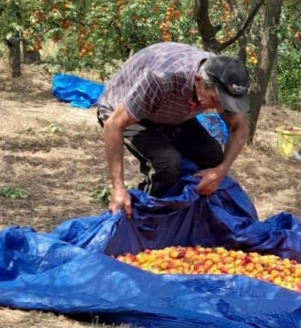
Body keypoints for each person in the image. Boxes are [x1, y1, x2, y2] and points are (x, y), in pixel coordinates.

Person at [97, 41, 250, 217]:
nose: (221, 111)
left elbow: (239, 126)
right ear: (199, 82)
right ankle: (141, 219)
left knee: (213, 158)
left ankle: (188, 218)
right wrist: (118, 188)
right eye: (216, 101)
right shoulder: (161, 78)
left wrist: (221, 171)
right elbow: (114, 125)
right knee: (167, 164)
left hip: (172, 111)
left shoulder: (223, 83)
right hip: (124, 111)